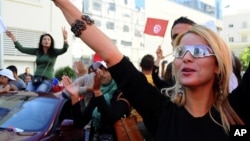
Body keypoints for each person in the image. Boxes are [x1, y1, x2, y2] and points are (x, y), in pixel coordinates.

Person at [52, 1, 250, 140]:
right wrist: (62, 2)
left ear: (217, 65)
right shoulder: (160, 112)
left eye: (198, 51)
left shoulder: (234, 117)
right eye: (181, 51)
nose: (186, 57)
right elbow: (110, 54)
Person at [62, 60, 131, 141]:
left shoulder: (122, 94)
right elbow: (80, 123)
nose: (102, 73)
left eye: (107, 70)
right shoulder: (98, 94)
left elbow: (110, 119)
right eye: (100, 69)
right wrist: (74, 96)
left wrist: (97, 92)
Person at [6, 27, 69, 93]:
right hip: (36, 78)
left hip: (47, 80)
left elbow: (64, 49)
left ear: (51, 42)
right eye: (44, 39)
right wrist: (13, 37)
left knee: (40, 92)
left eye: (48, 39)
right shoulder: (38, 51)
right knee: (28, 92)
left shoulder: (54, 52)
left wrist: (65, 39)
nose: (46, 41)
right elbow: (22, 49)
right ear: (41, 42)